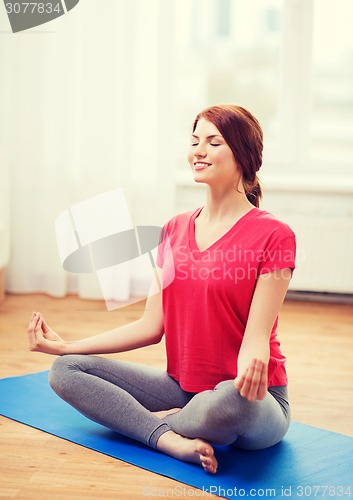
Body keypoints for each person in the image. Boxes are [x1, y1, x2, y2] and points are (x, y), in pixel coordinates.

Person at [28, 104, 296, 475]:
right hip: (183, 387)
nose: (198, 151)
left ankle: (160, 422)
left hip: (250, 398)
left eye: (213, 142)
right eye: (194, 141)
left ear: (244, 155)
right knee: (65, 370)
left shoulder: (274, 235)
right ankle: (169, 438)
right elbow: (150, 326)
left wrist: (255, 363)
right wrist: (66, 345)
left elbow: (258, 337)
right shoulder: (174, 229)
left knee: (229, 401)